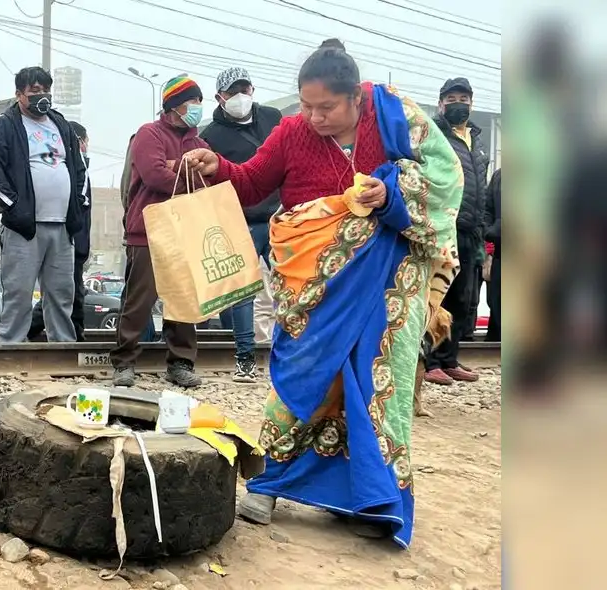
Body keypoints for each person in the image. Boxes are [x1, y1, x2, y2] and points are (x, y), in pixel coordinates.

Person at [184, 39, 462, 547]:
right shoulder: (291, 132)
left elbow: (447, 180)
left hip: (386, 280)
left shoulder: (395, 116)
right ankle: (270, 480)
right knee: (303, 372)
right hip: (313, 281)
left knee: (379, 381)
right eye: (306, 105)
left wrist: (392, 194)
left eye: (327, 107)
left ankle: (370, 498)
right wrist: (216, 168)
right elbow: (250, 184)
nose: (315, 117)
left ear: (356, 96)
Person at [110, 75, 209, 389]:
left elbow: (207, 182)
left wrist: (173, 166)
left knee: (183, 299)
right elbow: (154, 175)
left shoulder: (200, 144)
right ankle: (124, 363)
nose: (197, 108)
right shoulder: (148, 134)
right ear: (174, 105)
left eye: (198, 102)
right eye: (192, 101)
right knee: (138, 301)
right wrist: (185, 172)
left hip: (185, 231)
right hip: (148, 230)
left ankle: (181, 363)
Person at [0, 66, 88, 343]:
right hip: (23, 228)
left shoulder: (60, 124)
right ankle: (12, 349)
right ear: (19, 95)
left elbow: (79, 169)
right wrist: (13, 208)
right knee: (18, 293)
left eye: (45, 90)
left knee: (62, 293)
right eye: (34, 91)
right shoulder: (5, 125)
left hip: (62, 227)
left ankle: (62, 347)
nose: (42, 96)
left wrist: (79, 202)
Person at [200, 66, 282, 382]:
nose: (240, 96)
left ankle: (295, 355)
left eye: (244, 89)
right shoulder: (211, 136)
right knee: (243, 296)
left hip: (279, 218)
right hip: (239, 222)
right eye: (233, 91)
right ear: (220, 97)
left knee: (294, 287)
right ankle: (245, 360)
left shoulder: (273, 119)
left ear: (253, 90)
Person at [423, 78, 487, 385]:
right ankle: (431, 361)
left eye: (464, 97)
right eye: (451, 98)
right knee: (440, 296)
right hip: (444, 228)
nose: (458, 103)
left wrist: (482, 225)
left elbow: (480, 186)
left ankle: (450, 358)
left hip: (471, 231)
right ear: (440, 103)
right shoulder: (434, 135)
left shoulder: (477, 139)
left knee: (464, 299)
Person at [29, 121, 93, 341]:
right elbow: (79, 212)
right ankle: (72, 339)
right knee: (68, 295)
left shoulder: (79, 171)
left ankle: (70, 337)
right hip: (68, 240)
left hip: (74, 241)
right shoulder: (69, 170)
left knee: (65, 294)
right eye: (84, 142)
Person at [483, 168, 500, 341]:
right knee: (496, 301)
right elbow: (487, 209)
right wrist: (490, 231)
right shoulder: (499, 176)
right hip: (501, 252)